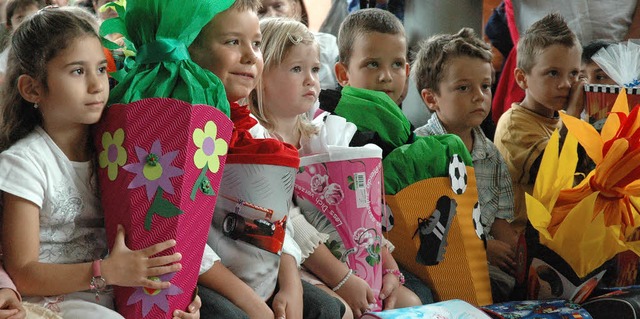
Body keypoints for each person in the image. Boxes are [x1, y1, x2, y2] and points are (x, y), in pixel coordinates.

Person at [0, 7, 200, 319]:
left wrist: (179, 293)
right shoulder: (25, 162)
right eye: (78, 71)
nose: (97, 85)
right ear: (32, 88)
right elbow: (23, 272)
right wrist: (104, 271)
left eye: (102, 69)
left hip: (117, 291)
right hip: (53, 302)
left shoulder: (119, 150)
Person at [189, 2, 345, 318]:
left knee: (327, 310)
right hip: (204, 275)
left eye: (256, 44)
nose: (250, 56)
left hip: (257, 270)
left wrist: (291, 284)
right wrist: (251, 301)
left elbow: (276, 218)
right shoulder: (184, 125)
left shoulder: (256, 133)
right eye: (233, 42)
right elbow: (185, 236)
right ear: (191, 48)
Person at [322, 7, 429, 307]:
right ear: (343, 74)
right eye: (372, 64)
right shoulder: (332, 124)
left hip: (393, 252)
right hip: (340, 255)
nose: (386, 76)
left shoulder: (405, 130)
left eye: (397, 64)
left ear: (408, 71)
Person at [411, 28, 519, 302]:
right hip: (436, 268)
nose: (479, 96)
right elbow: (418, 227)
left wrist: (521, 256)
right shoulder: (417, 149)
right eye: (463, 87)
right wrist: (480, 248)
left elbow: (500, 224)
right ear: (431, 98)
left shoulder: (491, 155)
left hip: (486, 273)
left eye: (485, 86)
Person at [493, 13, 585, 232]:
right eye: (553, 73)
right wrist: (573, 117)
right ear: (522, 78)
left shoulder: (559, 120)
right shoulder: (514, 125)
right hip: (527, 243)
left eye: (574, 74)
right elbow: (550, 174)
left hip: (559, 233)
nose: (565, 84)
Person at [258, 0, 340, 90]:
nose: (271, 15)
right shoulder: (253, 54)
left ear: (294, 7)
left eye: (278, 6)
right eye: (261, 11)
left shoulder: (327, 44)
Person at [0, 0, 44, 82]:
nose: (27, 22)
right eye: (20, 18)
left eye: (34, 16)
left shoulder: (50, 45)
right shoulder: (6, 57)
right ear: (9, 25)